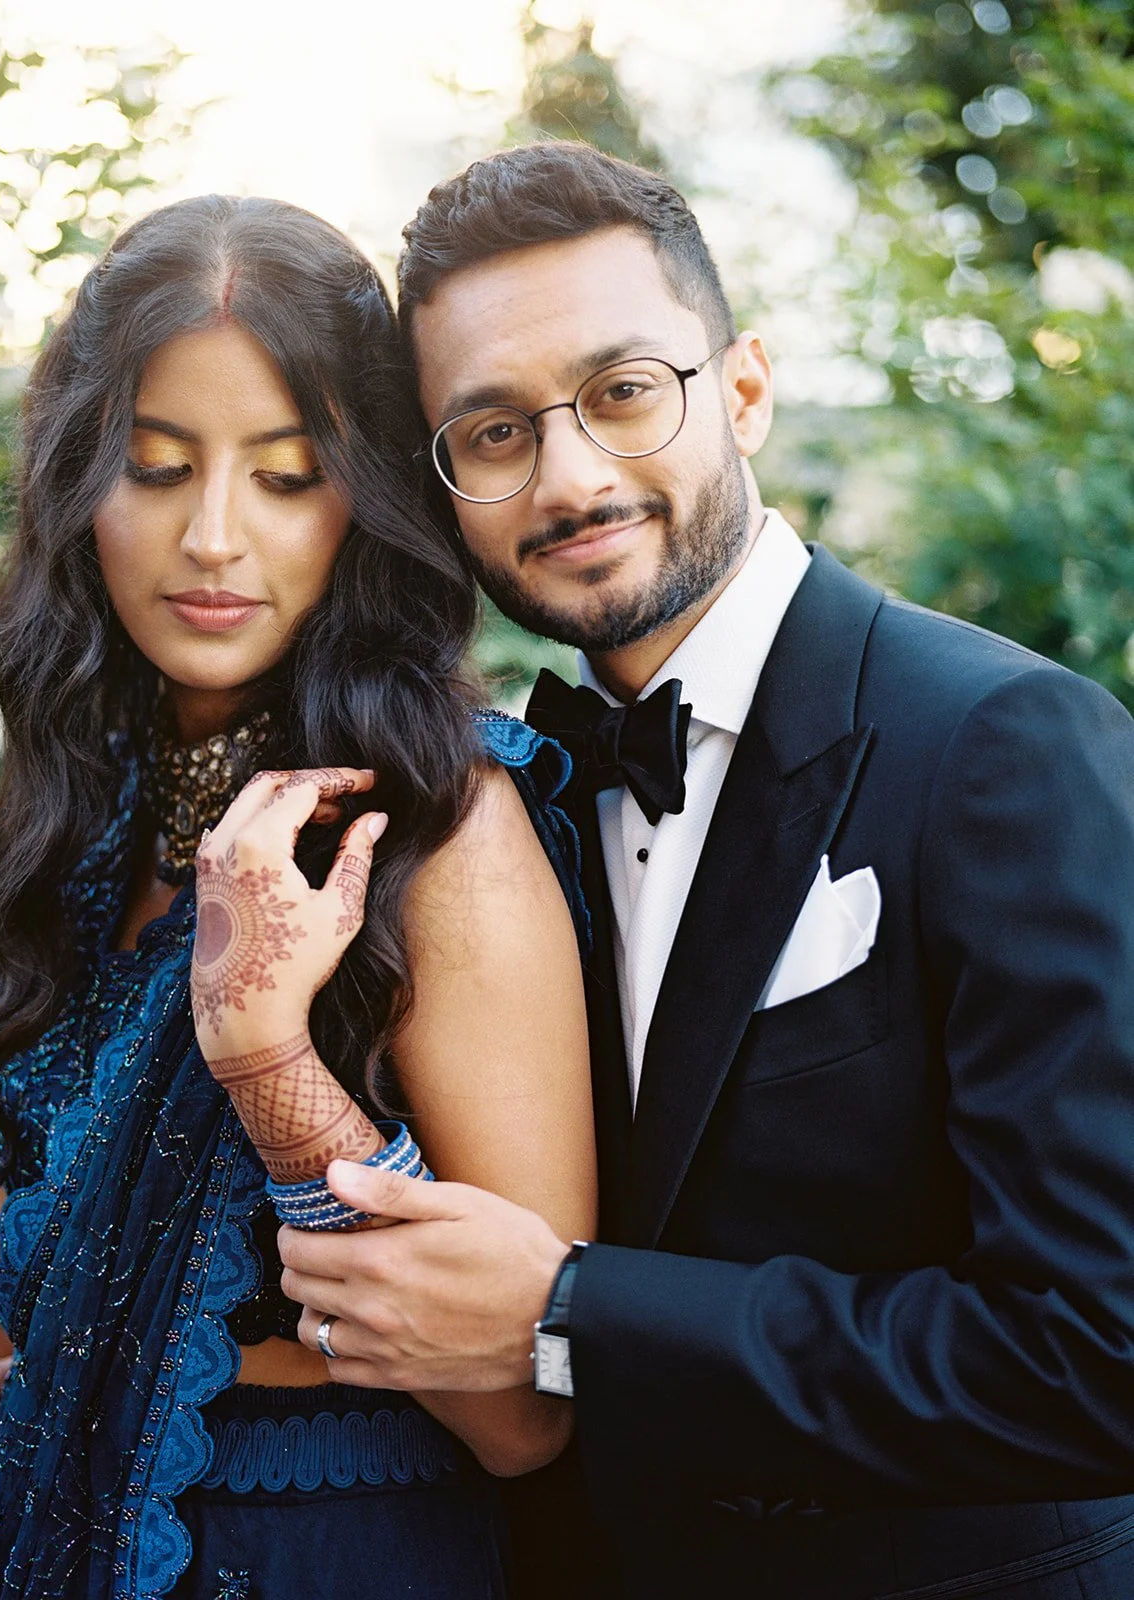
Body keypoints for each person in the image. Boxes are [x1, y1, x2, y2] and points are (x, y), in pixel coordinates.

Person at [277, 142, 1134, 1599]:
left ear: (739, 389)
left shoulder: (999, 743)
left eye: (622, 393)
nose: (568, 476)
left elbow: (1096, 1353)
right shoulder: (493, 798)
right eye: (490, 433)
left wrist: (566, 1315)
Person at [0, 192, 596, 1599]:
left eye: (289, 476)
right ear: (77, 480)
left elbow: (528, 1413)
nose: (215, 539)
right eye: (160, 468)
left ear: (367, 501)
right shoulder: (93, 797)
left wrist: (270, 1063)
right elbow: (17, 1199)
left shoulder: (440, 827)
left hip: (322, 1553)